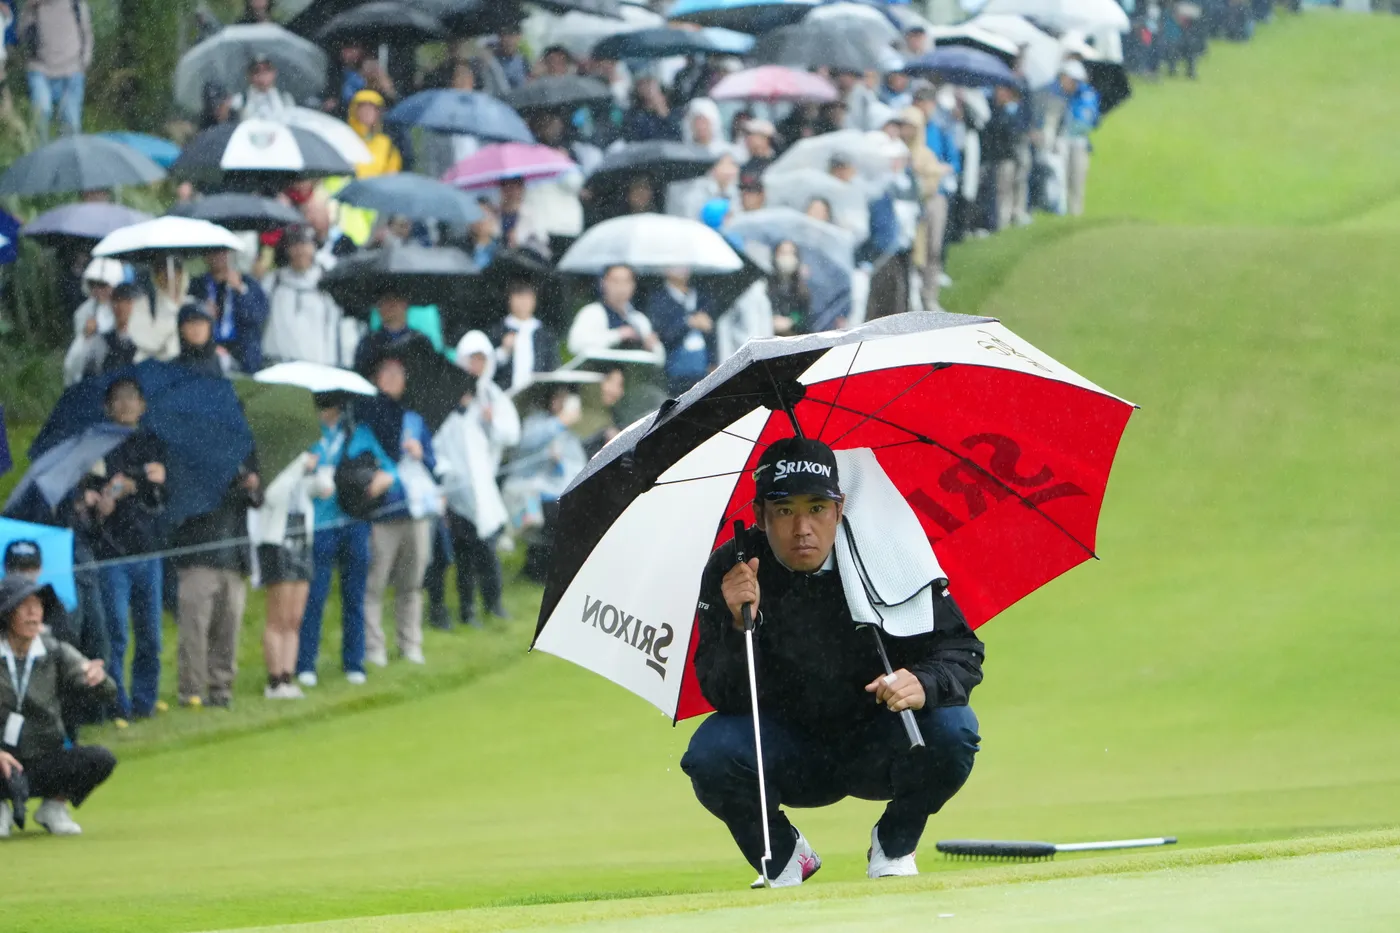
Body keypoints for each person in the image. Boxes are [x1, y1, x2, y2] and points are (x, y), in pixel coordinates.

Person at [681, 438, 984, 887]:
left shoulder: (886, 550)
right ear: (760, 514)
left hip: (879, 742)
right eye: (785, 510)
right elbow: (722, 693)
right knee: (709, 755)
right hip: (789, 749)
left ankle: (895, 843)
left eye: (817, 508)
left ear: (839, 510)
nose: (802, 528)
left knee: (954, 728)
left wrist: (923, 681)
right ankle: (783, 856)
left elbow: (963, 650)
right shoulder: (734, 568)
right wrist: (741, 624)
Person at [0, 577, 117, 838]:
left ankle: (53, 807)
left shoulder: (55, 651)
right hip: (2, 760)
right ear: (7, 614)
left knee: (101, 759)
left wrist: (98, 680)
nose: (33, 613)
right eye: (24, 606)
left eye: (37, 605)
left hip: (44, 757)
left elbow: (108, 691)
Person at [80, 379, 167, 725]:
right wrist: (102, 502)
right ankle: (118, 705)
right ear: (108, 407)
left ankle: (146, 700)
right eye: (119, 399)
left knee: (151, 634)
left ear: (142, 405)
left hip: (148, 550)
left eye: (132, 398)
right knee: (116, 632)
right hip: (112, 553)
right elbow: (90, 496)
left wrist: (137, 484)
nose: (127, 404)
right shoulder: (97, 445)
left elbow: (161, 489)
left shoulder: (153, 441)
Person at [296, 392, 396, 688]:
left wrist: (382, 481)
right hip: (320, 524)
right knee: (315, 596)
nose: (326, 411)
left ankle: (354, 662)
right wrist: (307, 470)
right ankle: (305, 663)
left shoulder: (360, 433)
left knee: (355, 595)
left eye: (330, 405)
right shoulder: (307, 435)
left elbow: (389, 469)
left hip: (355, 521)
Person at [169, 411, 261, 709]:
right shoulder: (188, 453)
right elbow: (194, 499)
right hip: (197, 554)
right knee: (195, 629)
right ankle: (191, 691)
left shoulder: (244, 453)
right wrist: (233, 485)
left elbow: (257, 498)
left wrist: (252, 485)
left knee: (228, 627)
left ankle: (221, 689)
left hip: (234, 556)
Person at [432, 332, 520, 626]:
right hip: (457, 487)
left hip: (484, 486)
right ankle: (467, 609)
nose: (477, 365)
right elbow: (439, 438)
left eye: (482, 359)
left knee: (487, 548)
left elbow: (510, 434)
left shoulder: (491, 395)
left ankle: (493, 603)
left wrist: (490, 420)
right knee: (464, 552)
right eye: (473, 359)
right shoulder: (448, 395)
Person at [360, 355, 437, 667]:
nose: (392, 379)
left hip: (415, 511)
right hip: (383, 513)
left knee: (412, 583)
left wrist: (420, 454)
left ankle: (410, 644)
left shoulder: (414, 420)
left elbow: (433, 463)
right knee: (374, 583)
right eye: (386, 373)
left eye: (398, 374)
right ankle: (373, 648)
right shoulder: (368, 417)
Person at [249, 450, 320, 699]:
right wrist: (298, 467)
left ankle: (288, 677)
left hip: (301, 543)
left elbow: (323, 489)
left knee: (294, 618)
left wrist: (317, 471)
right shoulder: (276, 465)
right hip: (277, 546)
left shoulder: (303, 467)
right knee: (277, 618)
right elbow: (272, 496)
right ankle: (275, 680)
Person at [262, 226, 358, 367]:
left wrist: (345, 361)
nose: (300, 251)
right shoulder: (273, 281)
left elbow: (344, 324)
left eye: (305, 244)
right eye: (294, 245)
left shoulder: (329, 281)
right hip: (276, 363)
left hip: (319, 367)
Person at [898, 105, 951, 310]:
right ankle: (910, 301)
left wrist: (920, 178)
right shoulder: (897, 152)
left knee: (932, 250)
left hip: (930, 203)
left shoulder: (925, 154)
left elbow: (933, 182)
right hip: (907, 207)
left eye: (911, 126)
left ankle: (929, 296)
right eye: (904, 126)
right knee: (911, 254)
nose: (907, 131)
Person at [17, 0, 93, 142]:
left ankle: (68, 154)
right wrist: (28, 9)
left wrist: (84, 62)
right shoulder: (34, 6)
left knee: (71, 122)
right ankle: (40, 153)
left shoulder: (75, 3)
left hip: (72, 70)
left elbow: (87, 33)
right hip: (40, 69)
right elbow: (22, 36)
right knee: (41, 115)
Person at [189, 248, 269, 374]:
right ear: (205, 257)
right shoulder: (196, 285)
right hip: (209, 347)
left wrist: (241, 289)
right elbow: (186, 318)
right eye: (212, 252)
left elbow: (258, 317)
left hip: (242, 349)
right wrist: (202, 311)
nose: (217, 257)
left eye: (222, 252)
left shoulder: (248, 282)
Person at [567, 264, 665, 364]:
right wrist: (618, 335)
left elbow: (660, 358)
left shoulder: (639, 319)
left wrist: (652, 346)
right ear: (603, 283)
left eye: (626, 281)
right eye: (615, 281)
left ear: (634, 285)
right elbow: (575, 345)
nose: (621, 287)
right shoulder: (592, 312)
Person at [646, 267, 715, 396]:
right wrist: (688, 323)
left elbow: (711, 334)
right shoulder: (659, 299)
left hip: (702, 370)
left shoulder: (701, 296)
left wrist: (713, 362)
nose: (681, 268)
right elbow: (661, 335)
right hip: (674, 373)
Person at [490, 280, 560, 393]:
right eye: (519, 296)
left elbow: (553, 367)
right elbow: (486, 368)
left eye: (528, 297)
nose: (523, 302)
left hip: (537, 395)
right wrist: (503, 351)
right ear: (509, 299)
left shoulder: (544, 334)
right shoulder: (498, 331)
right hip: (503, 394)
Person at [63, 282, 139, 385]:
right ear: (111, 305)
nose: (121, 307)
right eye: (117, 301)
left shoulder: (144, 341)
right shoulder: (102, 341)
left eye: (127, 302)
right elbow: (74, 368)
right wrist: (85, 337)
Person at [1057, 62, 1099, 217]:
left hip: (1078, 143)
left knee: (1077, 181)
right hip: (1063, 141)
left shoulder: (1087, 96)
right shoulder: (1062, 94)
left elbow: (1085, 122)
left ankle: (1075, 214)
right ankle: (1062, 213)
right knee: (1062, 180)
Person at [129, 258, 184, 363]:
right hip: (154, 363)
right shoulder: (143, 303)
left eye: (175, 272)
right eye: (162, 272)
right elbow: (140, 337)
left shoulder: (190, 302)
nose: (168, 277)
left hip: (184, 364)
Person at [347, 89, 403, 178]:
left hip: (376, 186)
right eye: (363, 107)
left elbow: (392, 173)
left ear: (378, 113)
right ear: (354, 111)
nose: (367, 112)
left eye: (372, 108)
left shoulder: (386, 143)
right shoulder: (344, 139)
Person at [768, 241, 812, 337]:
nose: (786, 257)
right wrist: (770, 319)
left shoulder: (802, 290)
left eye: (790, 253)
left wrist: (791, 321)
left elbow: (804, 316)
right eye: (782, 253)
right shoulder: (766, 284)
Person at [234, 54, 294, 122]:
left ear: (274, 73)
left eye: (267, 69)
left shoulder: (285, 98)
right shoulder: (240, 100)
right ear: (249, 76)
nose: (262, 74)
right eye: (256, 71)